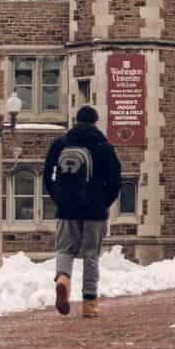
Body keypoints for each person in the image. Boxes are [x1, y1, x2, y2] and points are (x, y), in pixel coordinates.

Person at [44, 105, 122, 318]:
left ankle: (63, 280)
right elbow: (116, 181)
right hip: (94, 211)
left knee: (64, 250)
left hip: (66, 209)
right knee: (91, 255)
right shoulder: (104, 147)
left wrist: (59, 197)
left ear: (76, 120)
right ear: (96, 122)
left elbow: (47, 175)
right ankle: (89, 304)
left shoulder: (60, 144)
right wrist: (103, 202)